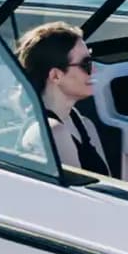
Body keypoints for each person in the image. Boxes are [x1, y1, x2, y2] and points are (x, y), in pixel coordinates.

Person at [15, 21, 118, 177]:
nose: (94, 70)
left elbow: (110, 184)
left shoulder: (81, 122)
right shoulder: (53, 132)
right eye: (86, 64)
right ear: (56, 75)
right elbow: (77, 198)